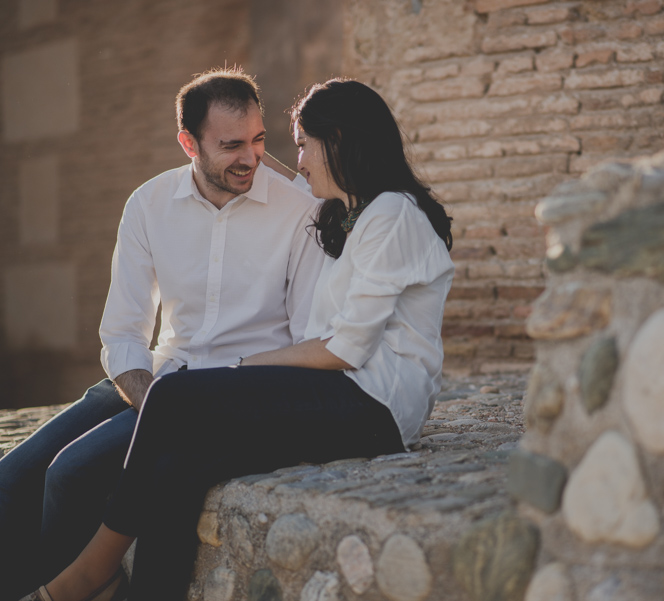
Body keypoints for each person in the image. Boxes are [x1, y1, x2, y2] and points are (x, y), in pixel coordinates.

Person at [21, 78, 455, 601]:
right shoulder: (357, 215)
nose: (291, 161)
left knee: (174, 398)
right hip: (347, 394)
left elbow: (345, 349)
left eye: (297, 144)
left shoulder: (389, 213)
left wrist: (242, 368)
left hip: (372, 404)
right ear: (191, 143)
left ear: (336, 140)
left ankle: (88, 574)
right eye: (239, 144)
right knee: (182, 463)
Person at [0, 68, 324, 600]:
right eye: (231, 145)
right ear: (187, 143)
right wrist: (152, 401)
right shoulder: (148, 205)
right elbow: (123, 332)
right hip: (154, 376)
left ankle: (75, 588)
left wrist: (176, 410)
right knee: (11, 480)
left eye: (259, 139)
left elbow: (310, 335)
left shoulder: (299, 211)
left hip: (225, 392)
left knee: (70, 475)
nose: (251, 158)